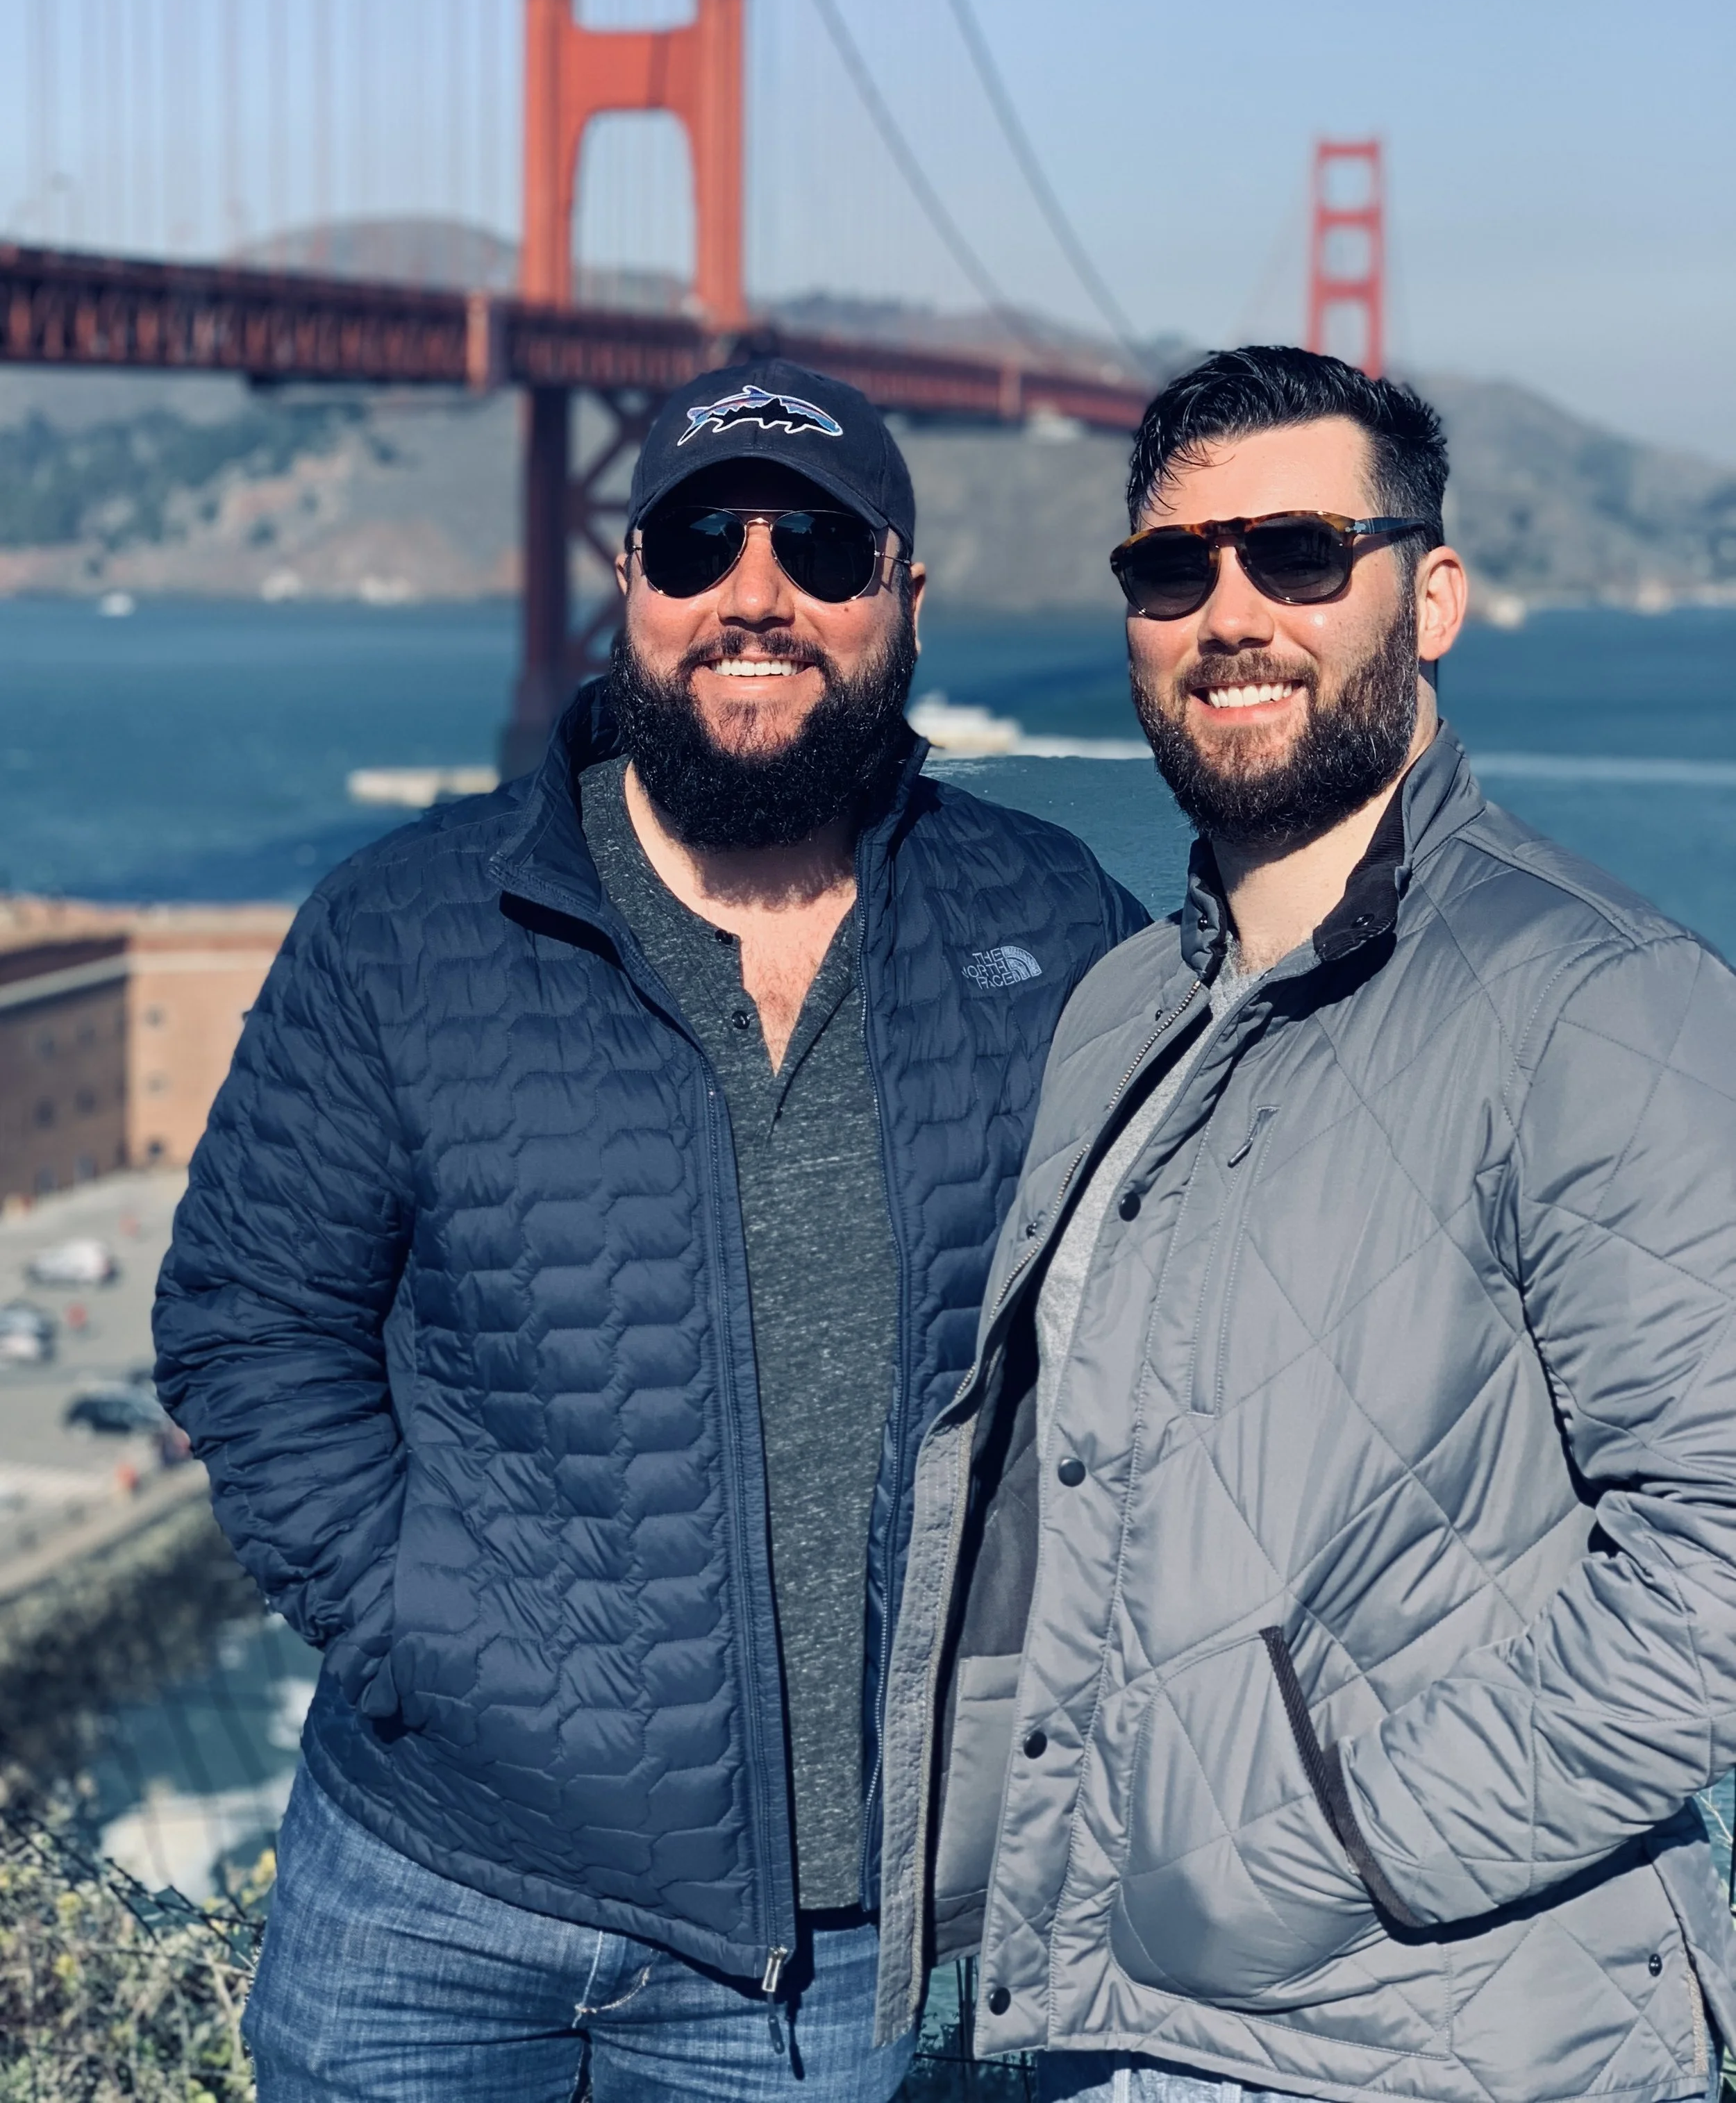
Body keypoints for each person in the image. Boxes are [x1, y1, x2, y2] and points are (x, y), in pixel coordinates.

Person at [153, 355, 1147, 2102]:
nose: (752, 592)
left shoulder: (1049, 920)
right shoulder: (403, 930)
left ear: (905, 599)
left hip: (833, 1954)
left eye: (820, 549)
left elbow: (1184, 1302)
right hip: (428, 1896)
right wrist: (419, 1630)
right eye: (697, 540)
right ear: (627, 583)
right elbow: (249, 1324)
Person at [871, 346, 1736, 2103]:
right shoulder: (1121, 1004)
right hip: (1111, 2023)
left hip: (1437, 2040)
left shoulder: (1601, 1001)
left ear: (1429, 596)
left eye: (1297, 555)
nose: (1230, 611)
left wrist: (1331, 1857)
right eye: (1171, 568)